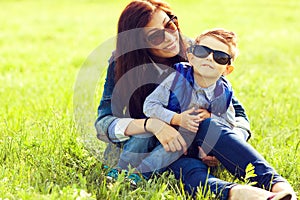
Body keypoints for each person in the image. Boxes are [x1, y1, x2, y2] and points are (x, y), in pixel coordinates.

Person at [94, 0, 297, 199]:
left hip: (200, 138)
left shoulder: (199, 52)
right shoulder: (122, 65)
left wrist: (221, 145)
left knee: (209, 124)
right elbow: (104, 123)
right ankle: (241, 194)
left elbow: (236, 111)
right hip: (159, 147)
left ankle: (278, 186)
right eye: (156, 35)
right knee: (190, 171)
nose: (170, 36)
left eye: (169, 24)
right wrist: (152, 124)